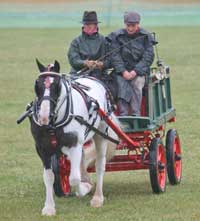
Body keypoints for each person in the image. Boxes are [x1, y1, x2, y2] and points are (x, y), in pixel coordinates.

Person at [107, 11, 155, 116]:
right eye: (128, 25)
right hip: (121, 72)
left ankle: (135, 114)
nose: (130, 28)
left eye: (133, 26)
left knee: (137, 83)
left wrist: (135, 71)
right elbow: (115, 56)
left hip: (140, 72)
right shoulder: (117, 36)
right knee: (120, 83)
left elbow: (148, 57)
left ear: (138, 24)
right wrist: (123, 71)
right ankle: (123, 114)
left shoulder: (146, 37)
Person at [67, 11, 109, 79]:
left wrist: (102, 64)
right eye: (86, 24)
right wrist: (85, 63)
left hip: (100, 75)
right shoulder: (76, 41)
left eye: (90, 25)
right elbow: (73, 60)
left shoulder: (103, 40)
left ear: (96, 25)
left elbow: (110, 60)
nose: (87, 26)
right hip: (79, 74)